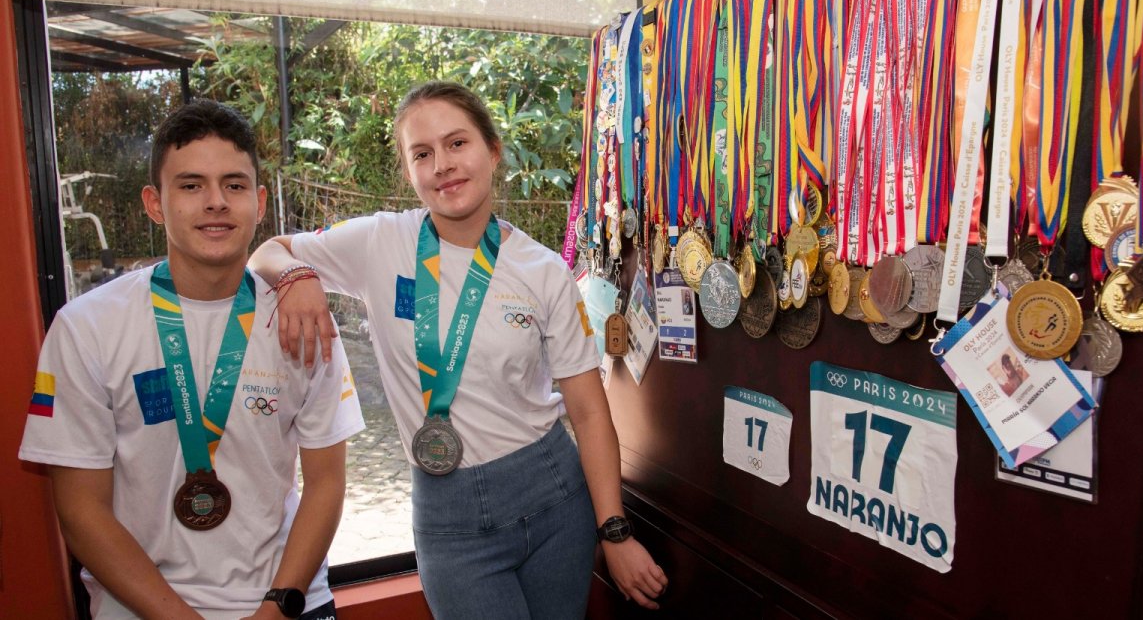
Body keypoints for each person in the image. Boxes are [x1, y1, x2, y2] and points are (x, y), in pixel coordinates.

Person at [248, 81, 668, 617]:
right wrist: (298, 277)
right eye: (422, 154)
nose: (442, 164)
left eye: (457, 144)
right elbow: (267, 251)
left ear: (492, 151)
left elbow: (587, 412)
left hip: (554, 498)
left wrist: (614, 532)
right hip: (448, 516)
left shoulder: (542, 270)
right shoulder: (379, 242)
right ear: (408, 171)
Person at [19, 100, 365, 620]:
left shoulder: (303, 321)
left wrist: (277, 607)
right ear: (155, 204)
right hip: (140, 607)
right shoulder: (87, 327)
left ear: (259, 201)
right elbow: (80, 509)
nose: (215, 202)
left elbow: (326, 483)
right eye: (190, 185)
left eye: (234, 184)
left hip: (287, 601)